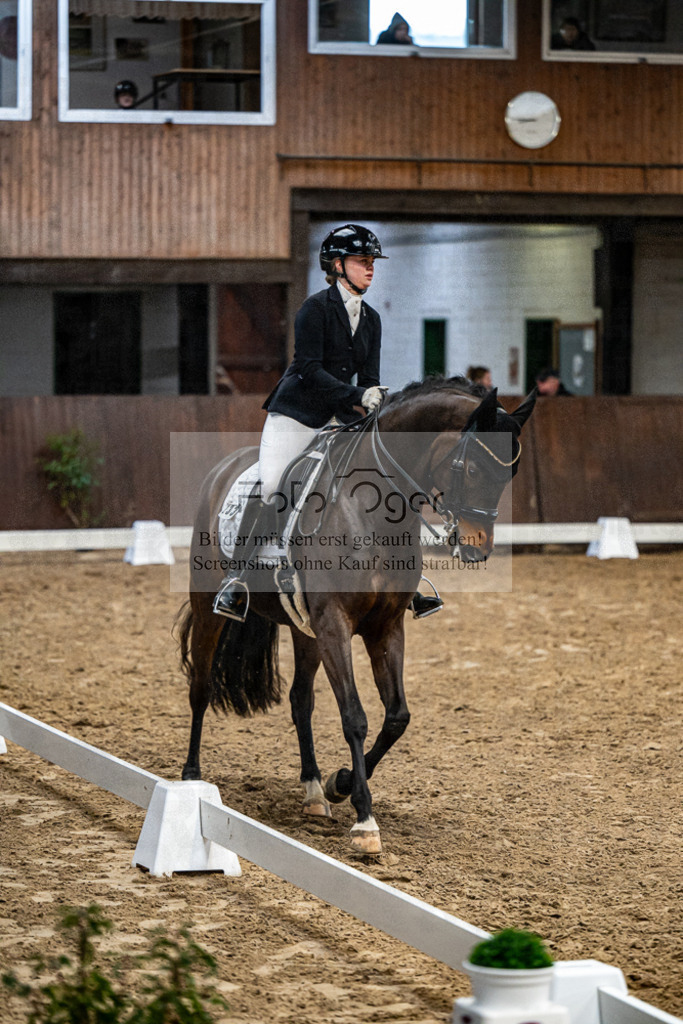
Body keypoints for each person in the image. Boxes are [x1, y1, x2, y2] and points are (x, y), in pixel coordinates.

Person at [214, 223, 442, 622]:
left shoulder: (371, 319)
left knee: (382, 482)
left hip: (339, 415)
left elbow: (369, 377)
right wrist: (356, 396)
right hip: (297, 414)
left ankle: (406, 580)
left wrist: (374, 402)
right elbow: (307, 368)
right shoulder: (314, 309)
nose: (370, 268)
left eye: (373, 262)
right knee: (272, 485)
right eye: (362, 261)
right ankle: (237, 580)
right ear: (337, 265)